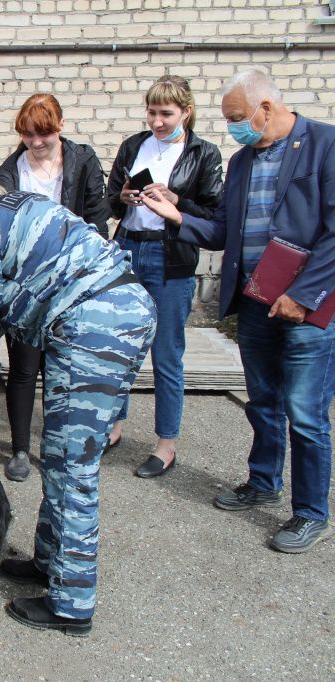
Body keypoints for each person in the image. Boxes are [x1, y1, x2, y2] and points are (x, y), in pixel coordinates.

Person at [0, 166, 156, 636]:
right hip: (114, 313)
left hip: (93, 324)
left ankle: (71, 604)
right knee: (64, 454)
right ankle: (49, 563)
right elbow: (9, 298)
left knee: (72, 466)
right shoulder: (2, 206)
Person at [141, 67, 335, 554]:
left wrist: (304, 294)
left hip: (305, 309)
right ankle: (263, 481)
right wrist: (178, 216)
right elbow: (223, 230)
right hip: (254, 303)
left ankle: (311, 512)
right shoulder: (244, 160)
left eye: (236, 118)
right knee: (263, 402)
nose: (232, 127)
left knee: (306, 415)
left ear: (265, 108)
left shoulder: (324, 145)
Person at [0, 93, 113, 482]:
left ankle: (60, 445)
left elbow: (98, 217)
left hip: (71, 283)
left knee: (65, 367)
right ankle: (21, 449)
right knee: (24, 368)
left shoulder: (82, 161)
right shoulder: (10, 171)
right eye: (27, 135)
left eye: (43, 134)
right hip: (26, 286)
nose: (36, 142)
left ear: (59, 126)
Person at [106, 75, 223, 479]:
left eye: (166, 114)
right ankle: (114, 426)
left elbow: (212, 216)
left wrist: (177, 200)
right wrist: (121, 200)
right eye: (152, 112)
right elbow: (109, 201)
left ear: (186, 111)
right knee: (120, 345)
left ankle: (165, 444)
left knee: (166, 353)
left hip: (169, 256)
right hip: (128, 249)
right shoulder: (134, 145)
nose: (157, 121)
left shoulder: (203, 154)